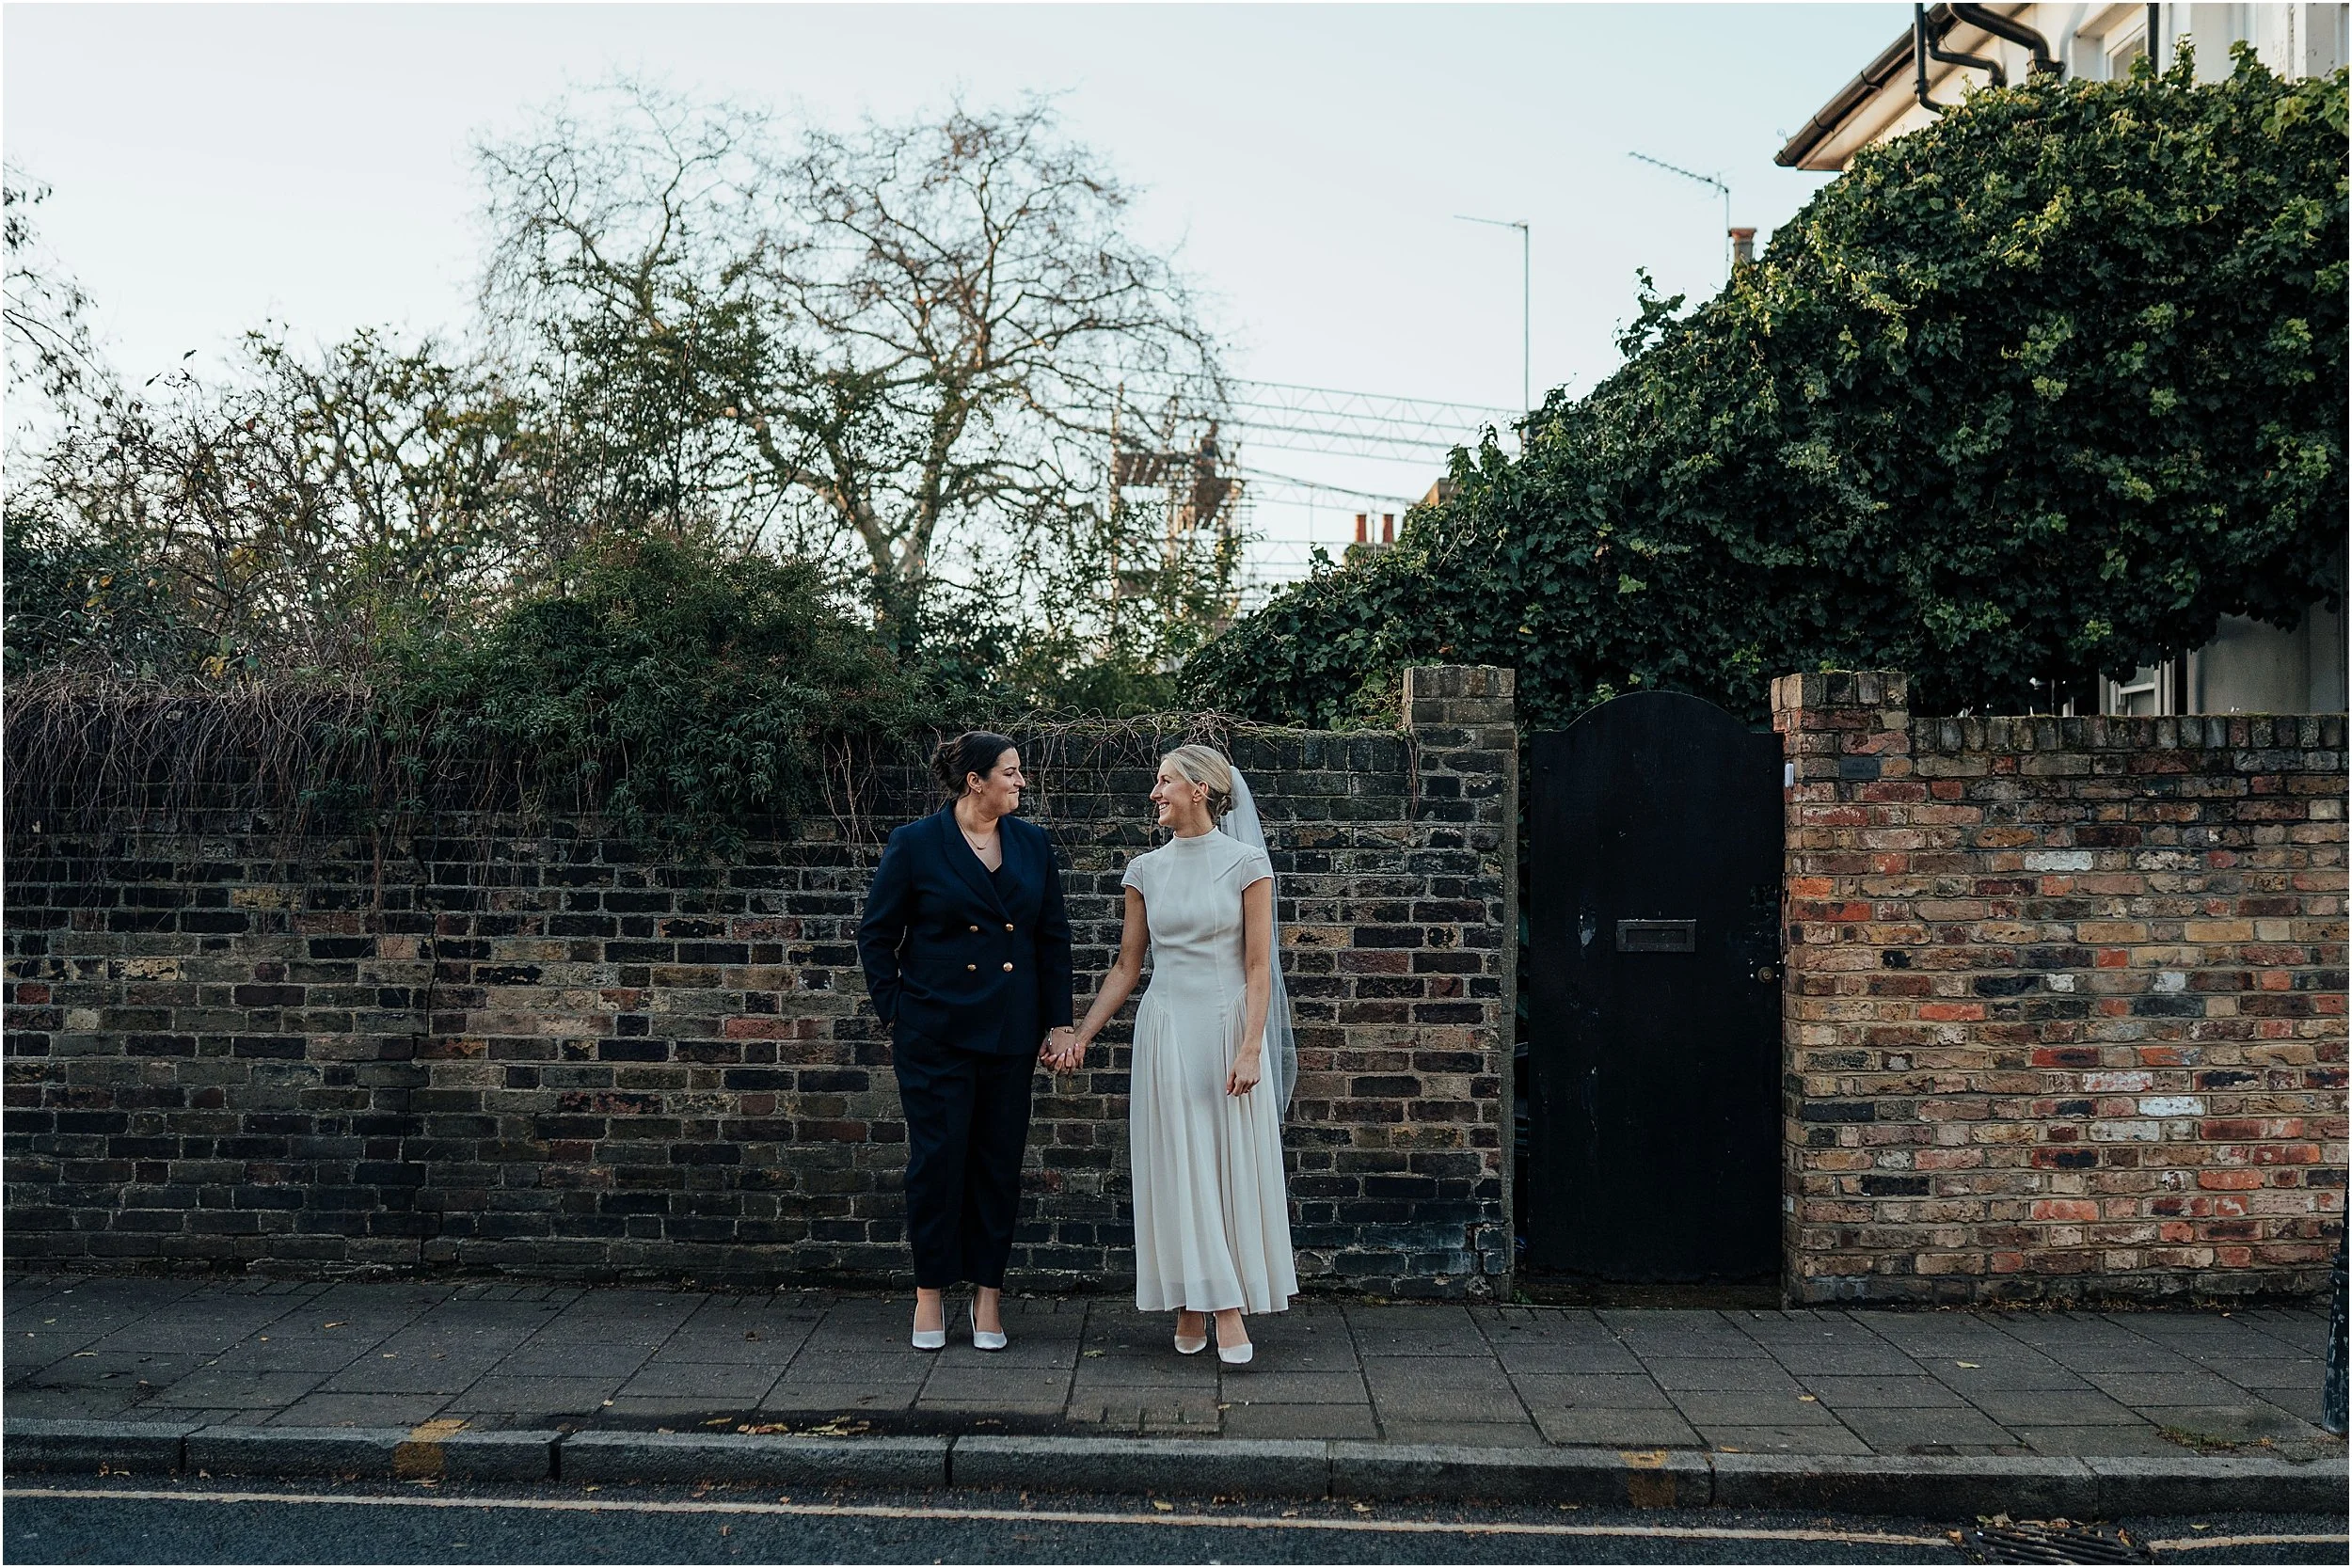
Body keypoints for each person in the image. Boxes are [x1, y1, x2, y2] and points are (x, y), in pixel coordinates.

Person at [1054, 744, 1297, 1364]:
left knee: (1221, 1165)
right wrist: (1081, 1033)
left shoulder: (1247, 864)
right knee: (1180, 1165)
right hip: (1166, 1031)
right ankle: (1202, 1303)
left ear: (1199, 788)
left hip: (1226, 1027)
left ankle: (1219, 1304)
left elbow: (1258, 966)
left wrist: (1250, 1049)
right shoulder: (1145, 870)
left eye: (1164, 781)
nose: (1155, 792)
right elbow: (1127, 965)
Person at [859, 732, 1074, 1352]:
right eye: (1010, 772)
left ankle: (987, 1296)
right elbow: (877, 935)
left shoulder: (1031, 843)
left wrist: (1058, 1020)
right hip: (935, 1032)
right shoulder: (916, 843)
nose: (1022, 782)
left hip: (1010, 1030)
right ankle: (930, 1292)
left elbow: (1052, 938)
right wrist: (899, 1011)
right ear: (975, 780)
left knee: (997, 1163)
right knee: (937, 1160)